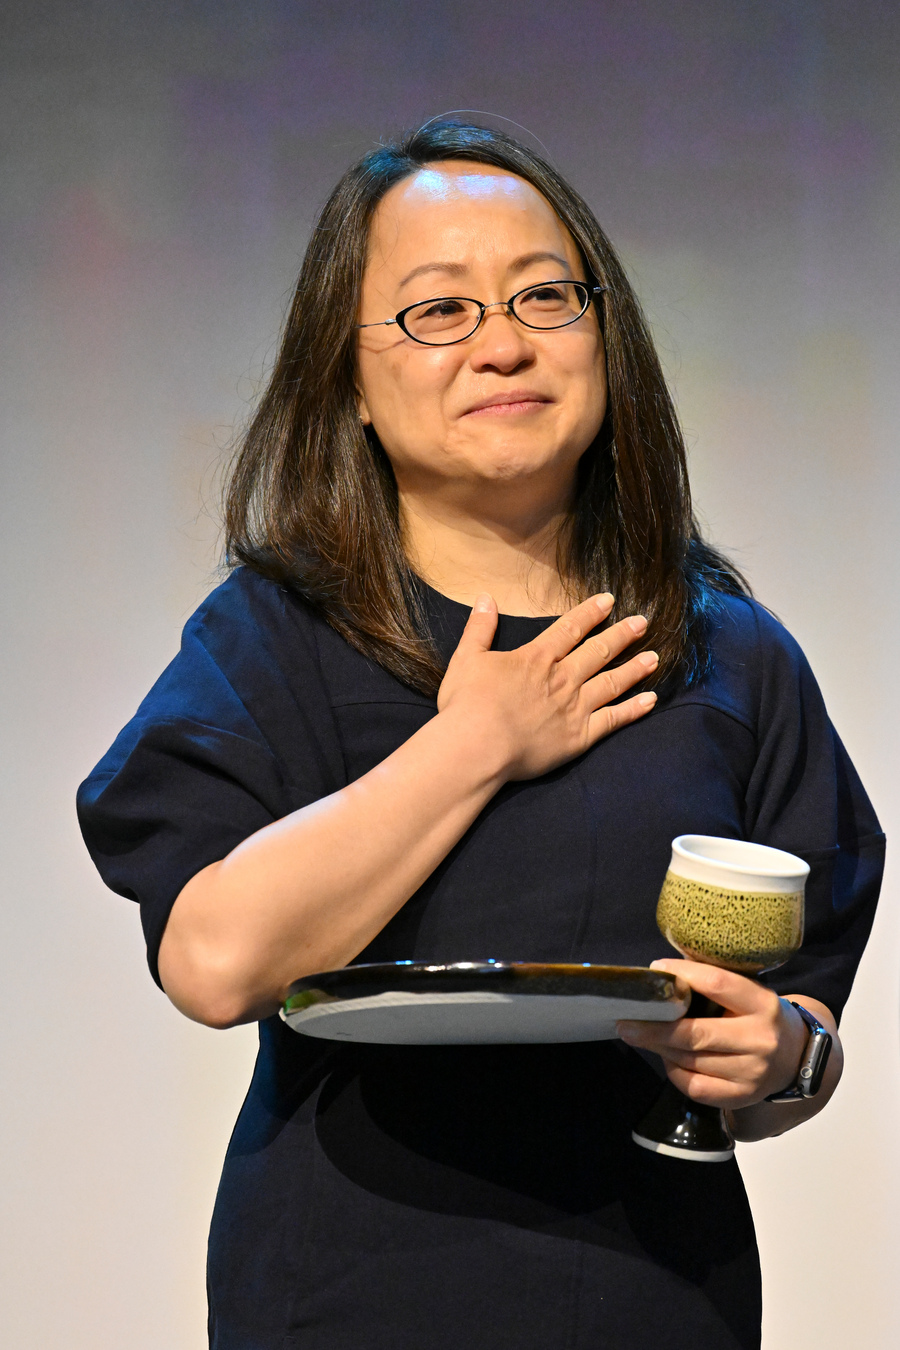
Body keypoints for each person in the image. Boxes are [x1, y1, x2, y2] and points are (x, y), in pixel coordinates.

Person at [77, 121, 884, 1350]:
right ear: (345, 380)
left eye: (544, 296)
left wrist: (782, 1062)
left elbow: (799, 1015)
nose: (503, 343)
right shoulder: (276, 635)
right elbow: (214, 964)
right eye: (437, 312)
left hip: (659, 1293)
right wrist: (478, 743)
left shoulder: (726, 650)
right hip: (347, 1289)